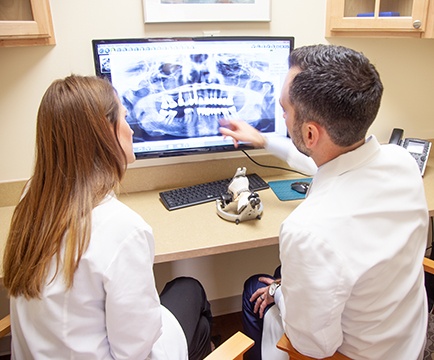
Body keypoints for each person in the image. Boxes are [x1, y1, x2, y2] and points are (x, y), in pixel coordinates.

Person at [221, 44, 429, 360]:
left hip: (346, 355)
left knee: (255, 291)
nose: (281, 113)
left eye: (284, 108)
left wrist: (279, 292)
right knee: (282, 272)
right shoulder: (402, 162)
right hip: (406, 340)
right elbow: (328, 162)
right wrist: (264, 141)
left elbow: (314, 347)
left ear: (310, 133)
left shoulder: (307, 230)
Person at [2, 75, 212, 360]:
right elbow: (135, 350)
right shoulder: (123, 229)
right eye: (124, 118)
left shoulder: (33, 200)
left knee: (185, 301)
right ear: (104, 131)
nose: (132, 130)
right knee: (192, 292)